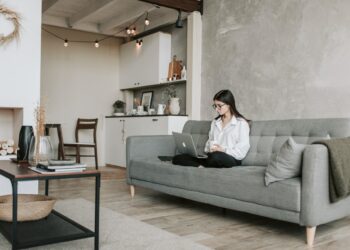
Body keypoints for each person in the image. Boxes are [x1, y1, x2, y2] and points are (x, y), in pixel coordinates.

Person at [172, 89, 250, 168]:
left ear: (229, 104)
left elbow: (241, 152)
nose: (216, 109)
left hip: (231, 158)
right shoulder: (215, 122)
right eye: (215, 106)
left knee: (215, 157)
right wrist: (210, 147)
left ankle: (204, 164)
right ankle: (200, 166)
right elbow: (208, 145)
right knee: (178, 158)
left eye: (219, 106)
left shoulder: (241, 124)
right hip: (212, 157)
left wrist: (223, 150)